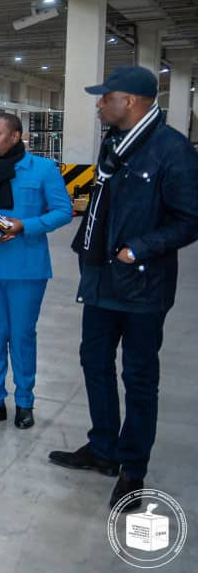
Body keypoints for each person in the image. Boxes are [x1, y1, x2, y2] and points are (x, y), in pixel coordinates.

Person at [48, 66, 198, 511]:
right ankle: (102, 448)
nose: (97, 104)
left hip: (141, 285)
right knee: (94, 362)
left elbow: (190, 218)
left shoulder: (172, 151)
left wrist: (140, 248)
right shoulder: (115, 144)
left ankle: (133, 468)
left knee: (138, 377)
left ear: (129, 101)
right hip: (100, 278)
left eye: (103, 97)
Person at [0, 113, 72, 430]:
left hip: (27, 268)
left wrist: (26, 226)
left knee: (21, 336)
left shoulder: (44, 170)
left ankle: (24, 402)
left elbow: (63, 210)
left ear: (16, 136)